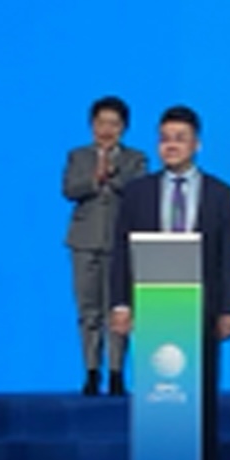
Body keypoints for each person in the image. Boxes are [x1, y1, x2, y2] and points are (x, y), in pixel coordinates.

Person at [109, 105, 230, 460]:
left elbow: (228, 256)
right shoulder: (137, 192)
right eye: (165, 138)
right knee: (158, 392)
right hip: (154, 308)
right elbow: (121, 252)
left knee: (200, 396)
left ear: (197, 144)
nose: (171, 145)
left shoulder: (221, 194)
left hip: (202, 310)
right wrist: (121, 304)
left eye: (180, 138)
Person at [62, 96, 149, 395]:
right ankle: (90, 371)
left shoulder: (135, 159)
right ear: (91, 125)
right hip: (84, 240)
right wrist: (94, 179)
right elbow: (69, 189)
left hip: (120, 242)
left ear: (124, 128)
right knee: (88, 309)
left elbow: (138, 190)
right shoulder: (78, 156)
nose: (106, 130)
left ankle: (116, 372)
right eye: (101, 123)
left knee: (118, 308)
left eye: (113, 124)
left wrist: (112, 176)